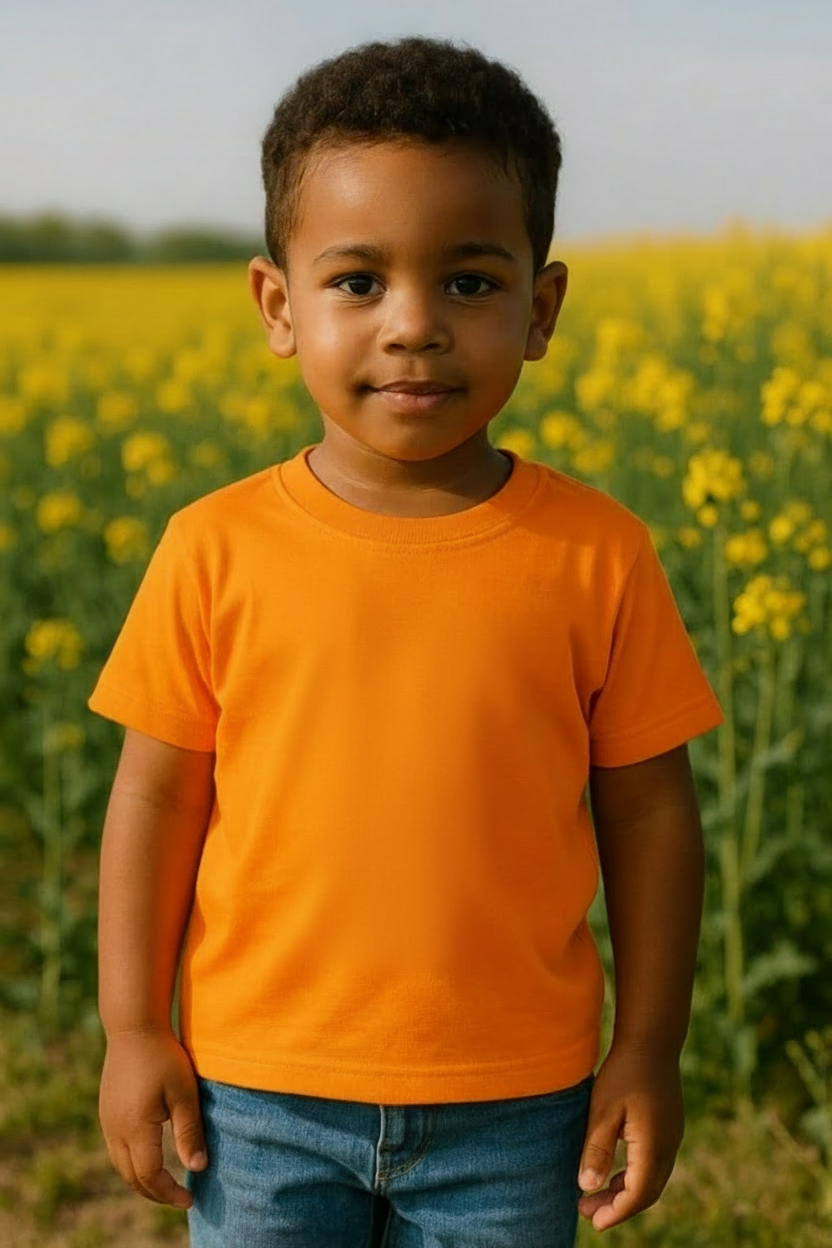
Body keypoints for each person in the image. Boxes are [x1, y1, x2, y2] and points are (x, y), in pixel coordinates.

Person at [90, 35, 724, 1248]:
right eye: (359, 282)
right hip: (258, 1100)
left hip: (516, 1107)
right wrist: (133, 1028)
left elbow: (649, 812)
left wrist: (647, 1048)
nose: (415, 327)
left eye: (471, 283)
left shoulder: (598, 556)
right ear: (278, 306)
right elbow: (158, 799)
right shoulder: (212, 548)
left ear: (541, 310)